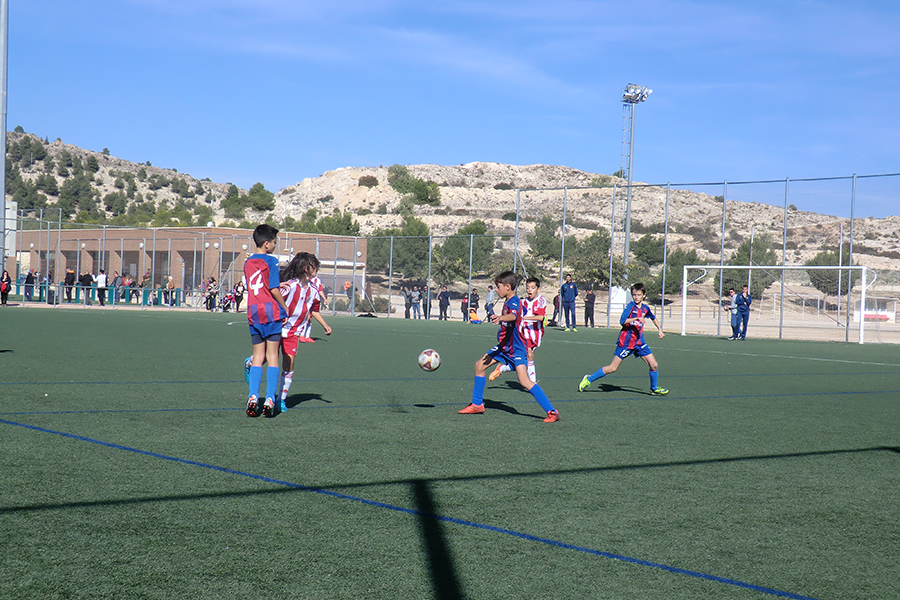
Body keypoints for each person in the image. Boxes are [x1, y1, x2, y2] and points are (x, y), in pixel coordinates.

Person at [458, 271, 559, 423]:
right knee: (479, 365)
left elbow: (513, 316)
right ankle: (477, 404)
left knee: (525, 381)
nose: (496, 290)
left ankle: (552, 412)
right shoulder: (509, 300)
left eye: (498, 287)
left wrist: (500, 318)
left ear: (507, 287)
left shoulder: (514, 302)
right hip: (504, 347)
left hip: (516, 348)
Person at [578, 282, 668, 396]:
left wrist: (659, 329)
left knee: (654, 365)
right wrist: (635, 318)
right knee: (612, 368)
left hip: (639, 342)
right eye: (634, 295)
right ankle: (588, 379)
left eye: (639, 295)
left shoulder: (645, 308)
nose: (636, 297)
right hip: (626, 343)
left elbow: (653, 318)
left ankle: (654, 388)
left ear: (644, 295)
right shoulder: (630, 307)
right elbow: (622, 321)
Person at [243, 224, 289, 418]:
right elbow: (273, 289)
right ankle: (270, 398)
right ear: (267, 243)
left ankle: (253, 396)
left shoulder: (247, 262)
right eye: (275, 243)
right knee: (272, 356)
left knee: (257, 356)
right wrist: (285, 307)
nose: (276, 246)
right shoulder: (272, 260)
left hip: (253, 311)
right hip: (271, 312)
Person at [277, 251, 332, 412]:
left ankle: (281, 400)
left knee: (289, 362)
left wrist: (325, 325)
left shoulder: (314, 290)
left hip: (293, 332)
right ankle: (250, 363)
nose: (316, 268)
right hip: (277, 329)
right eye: (313, 265)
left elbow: (314, 310)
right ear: (304, 267)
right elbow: (275, 302)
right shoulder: (290, 286)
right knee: (266, 359)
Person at [489, 276, 546, 383]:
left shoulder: (541, 300)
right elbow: (516, 313)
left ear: (538, 289)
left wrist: (523, 318)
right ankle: (532, 383)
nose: (529, 290)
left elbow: (540, 317)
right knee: (529, 355)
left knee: (523, 361)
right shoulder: (522, 301)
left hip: (535, 333)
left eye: (532, 288)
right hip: (522, 334)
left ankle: (502, 368)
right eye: (528, 287)